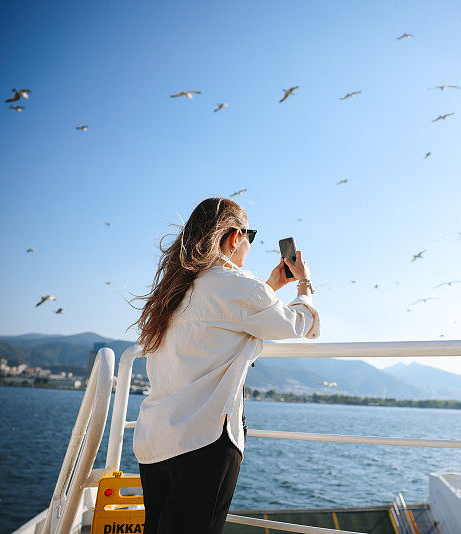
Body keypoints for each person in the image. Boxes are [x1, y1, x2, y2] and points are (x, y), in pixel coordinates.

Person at [131, 197, 320, 534]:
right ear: (235, 237)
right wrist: (304, 284)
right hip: (203, 441)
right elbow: (296, 324)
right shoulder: (237, 287)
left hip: (156, 441)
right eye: (250, 236)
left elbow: (228, 317)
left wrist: (270, 287)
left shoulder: (175, 290)